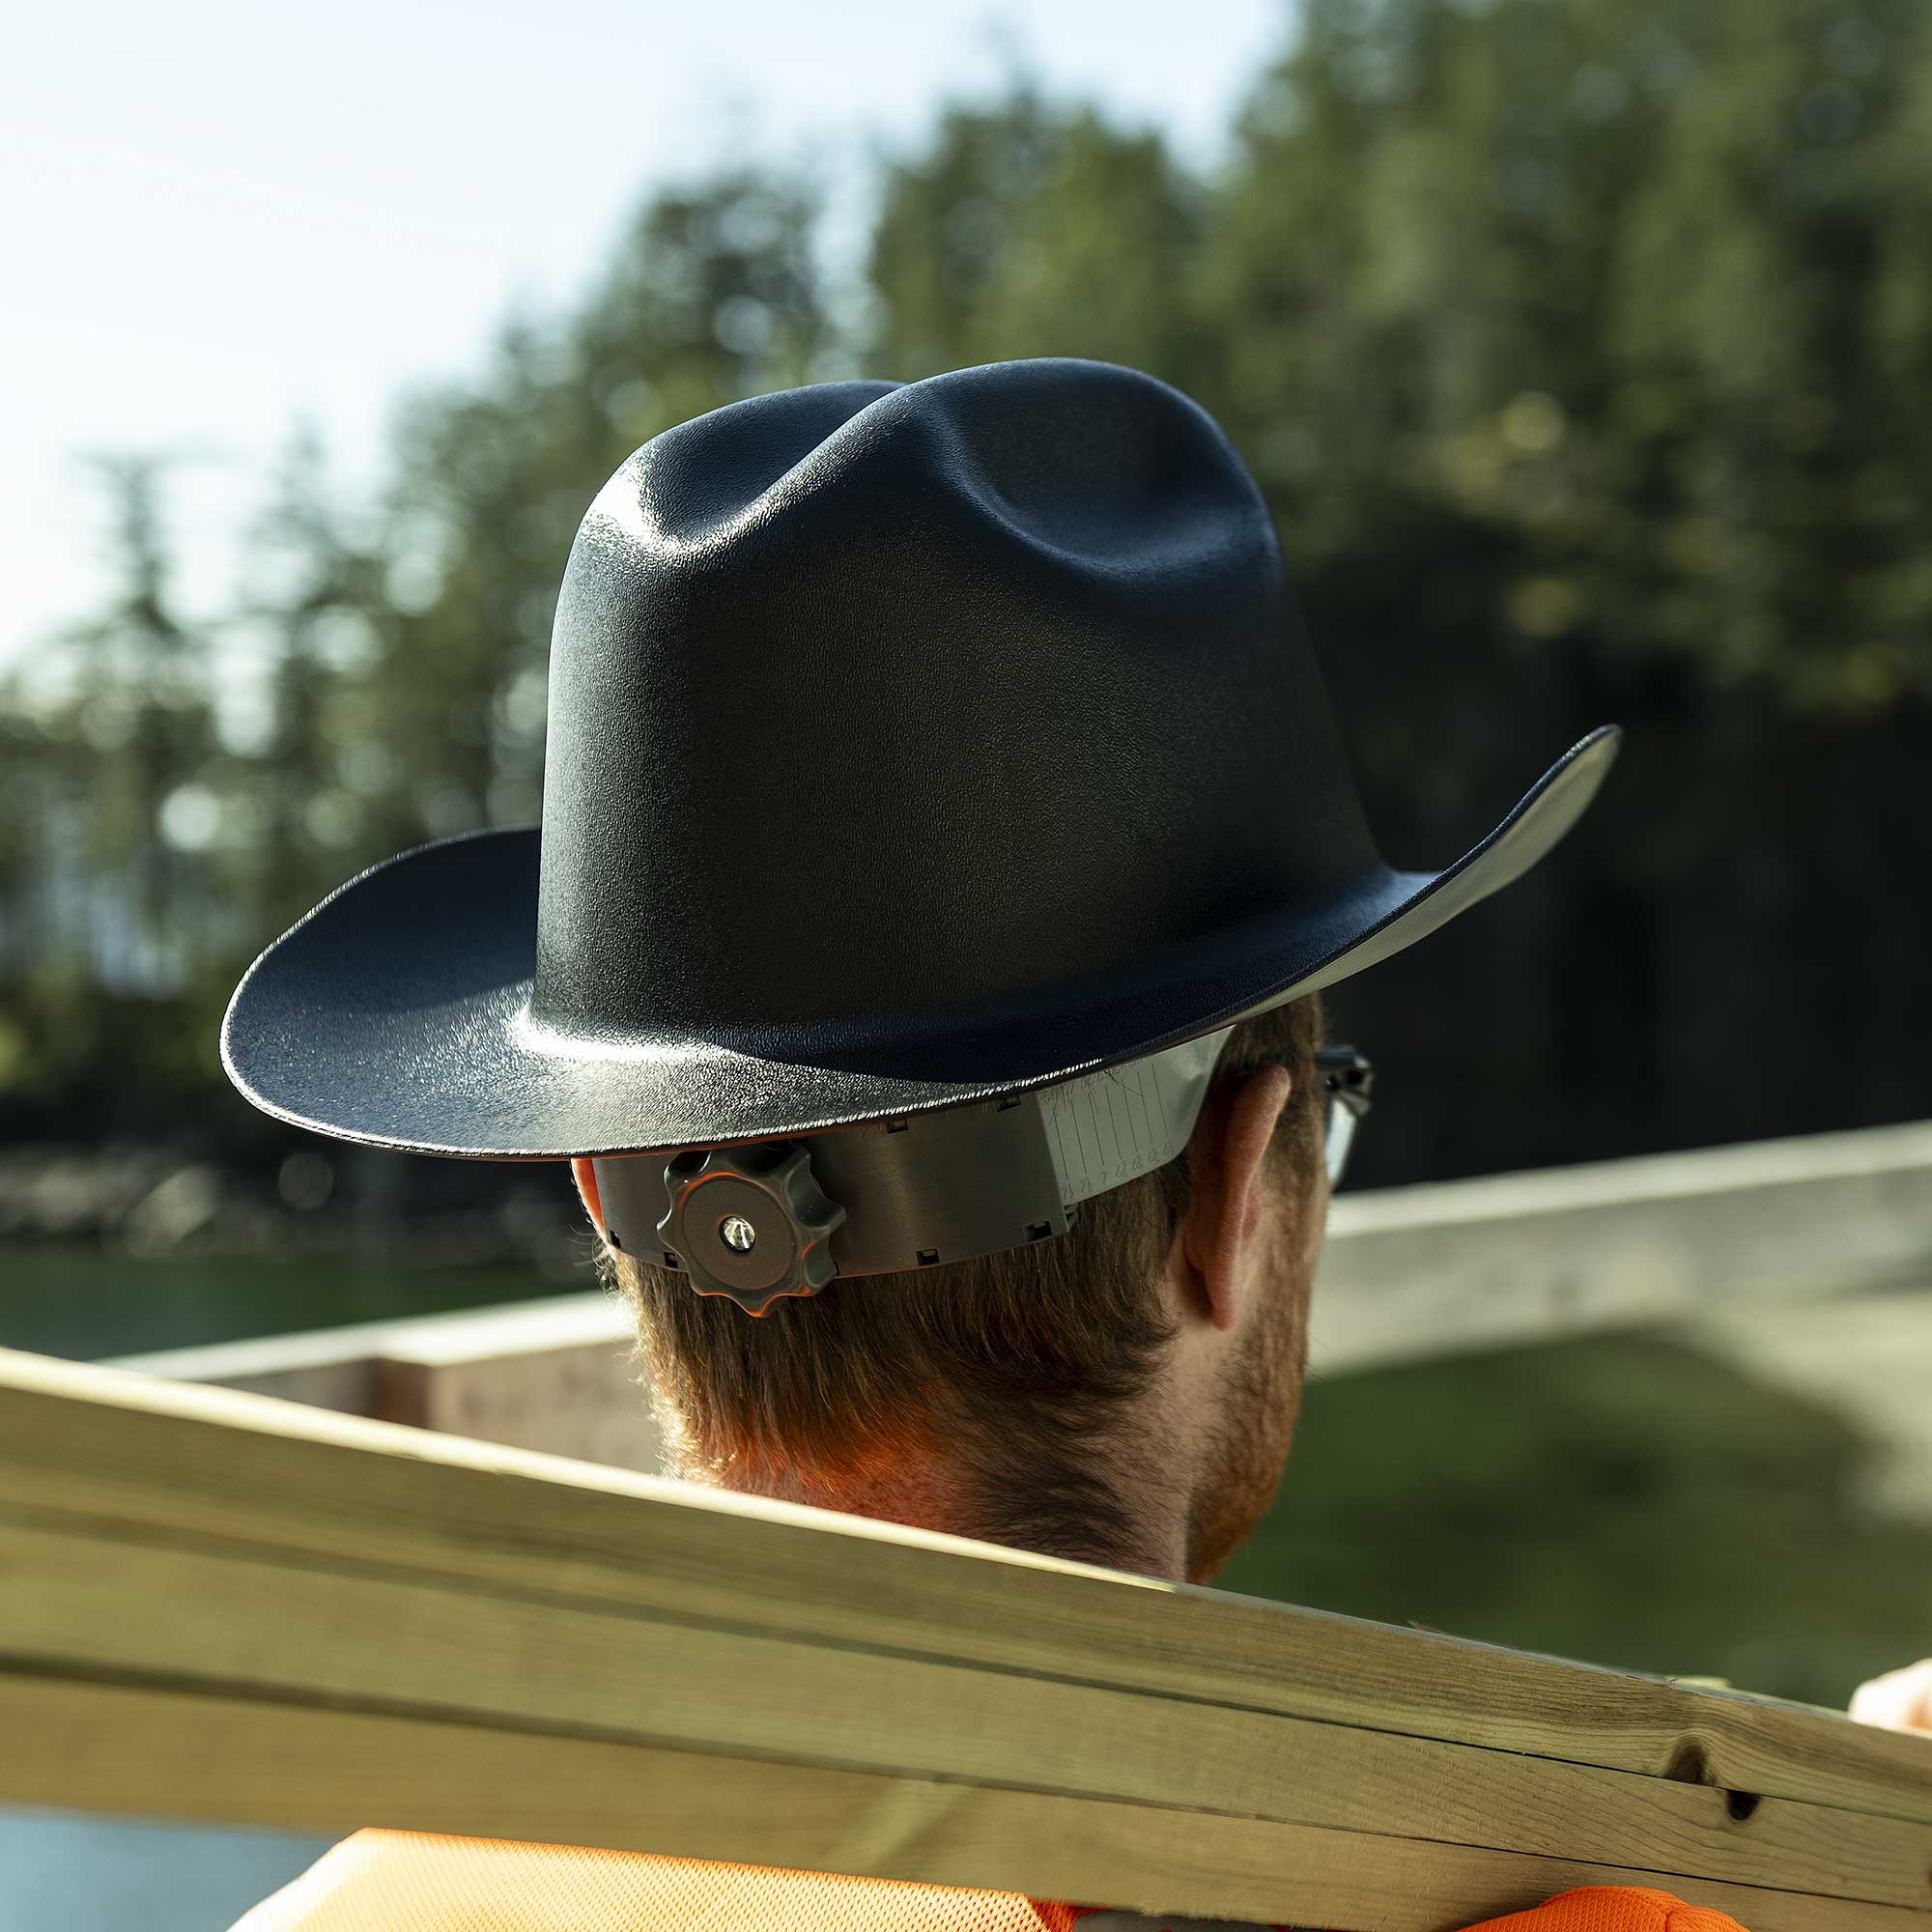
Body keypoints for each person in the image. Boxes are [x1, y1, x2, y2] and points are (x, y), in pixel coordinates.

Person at [224, 359, 1864, 1932]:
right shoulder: (1606, 1917)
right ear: (1237, 1190)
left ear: (599, 1183)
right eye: (1330, 1131)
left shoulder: (338, 1912)